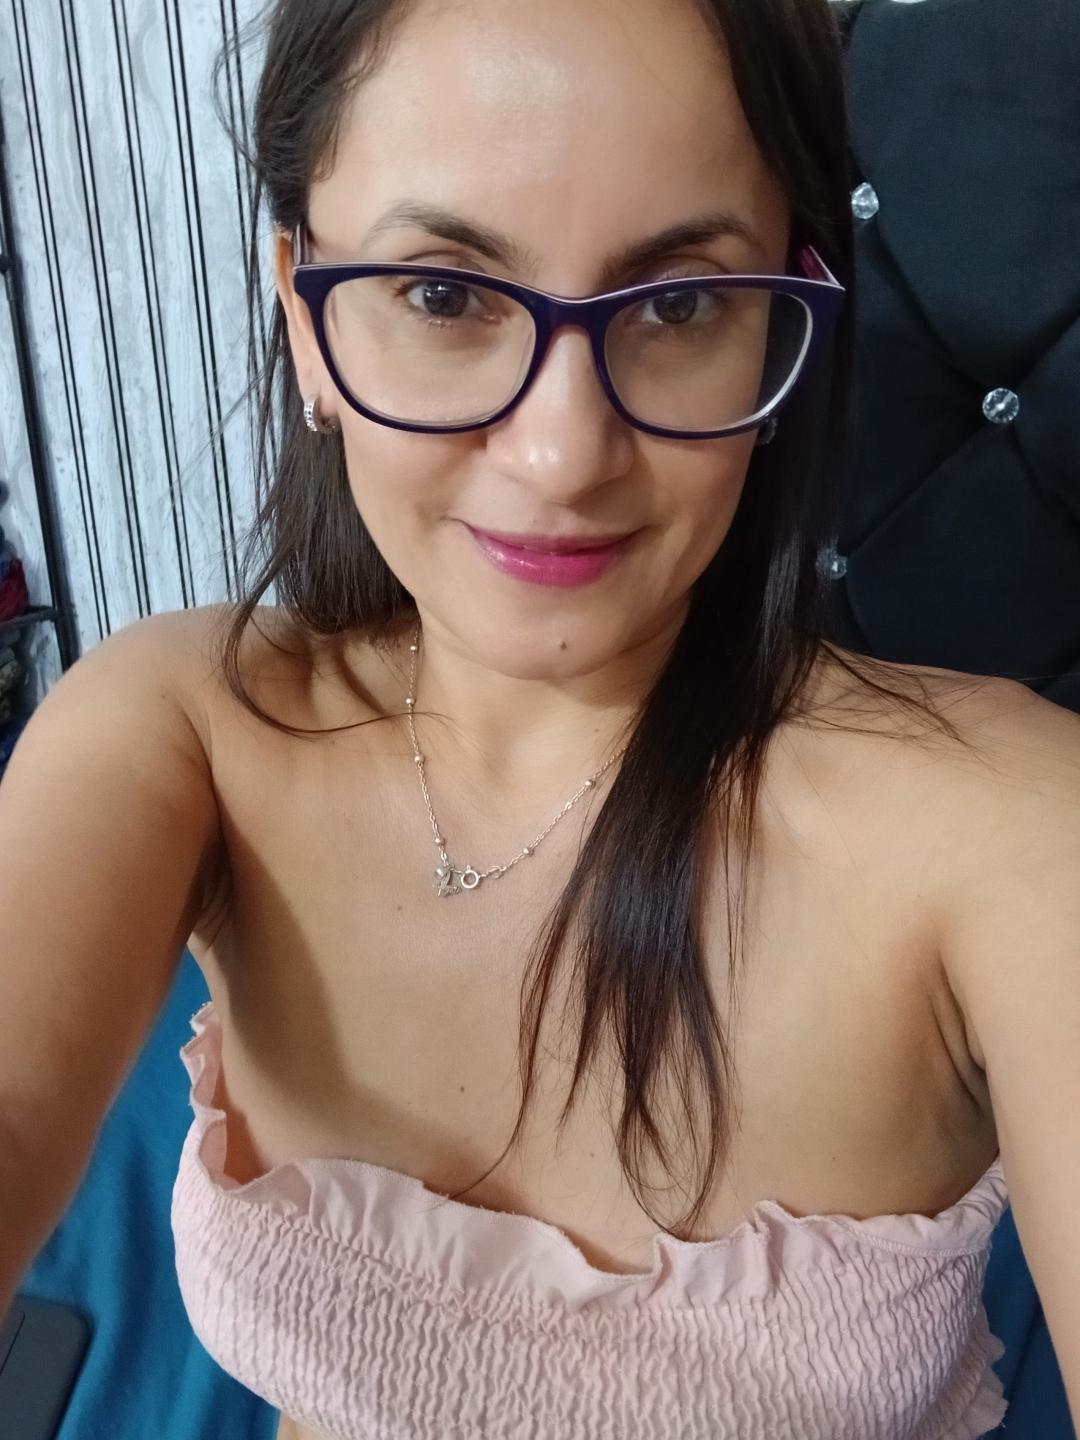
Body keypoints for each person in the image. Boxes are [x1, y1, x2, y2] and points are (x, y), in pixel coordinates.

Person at [1, 1, 1077, 1437]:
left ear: (778, 317)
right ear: (304, 313)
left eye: (680, 305)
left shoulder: (1007, 830)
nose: (564, 454)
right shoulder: (189, 726)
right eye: (445, 296)